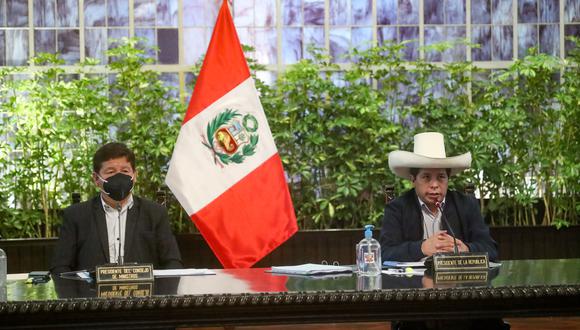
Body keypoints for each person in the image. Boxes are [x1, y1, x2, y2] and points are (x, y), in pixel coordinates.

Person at [50, 142, 183, 275]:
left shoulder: (155, 213)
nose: (119, 177)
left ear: (135, 175)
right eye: (111, 172)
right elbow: (60, 266)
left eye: (125, 171)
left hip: (145, 293)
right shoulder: (76, 215)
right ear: (96, 179)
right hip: (91, 293)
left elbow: (172, 262)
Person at [380, 132, 498, 262]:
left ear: (448, 178)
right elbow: (385, 253)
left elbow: (491, 249)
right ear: (413, 179)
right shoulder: (397, 208)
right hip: (413, 281)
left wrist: (466, 249)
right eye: (426, 177)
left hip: (456, 280)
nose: (435, 185)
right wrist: (421, 248)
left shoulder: (466, 204)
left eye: (441, 177)